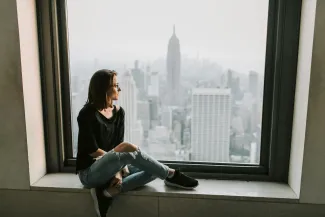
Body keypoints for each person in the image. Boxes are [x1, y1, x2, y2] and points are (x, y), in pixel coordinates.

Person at [76, 69, 199, 217]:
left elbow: (117, 145)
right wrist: (119, 169)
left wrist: (118, 170)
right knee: (127, 148)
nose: (119, 88)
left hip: (112, 164)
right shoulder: (87, 113)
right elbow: (92, 149)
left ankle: (107, 193)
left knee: (152, 169)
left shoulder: (119, 112)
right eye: (115, 85)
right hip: (90, 173)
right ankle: (170, 174)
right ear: (104, 89)